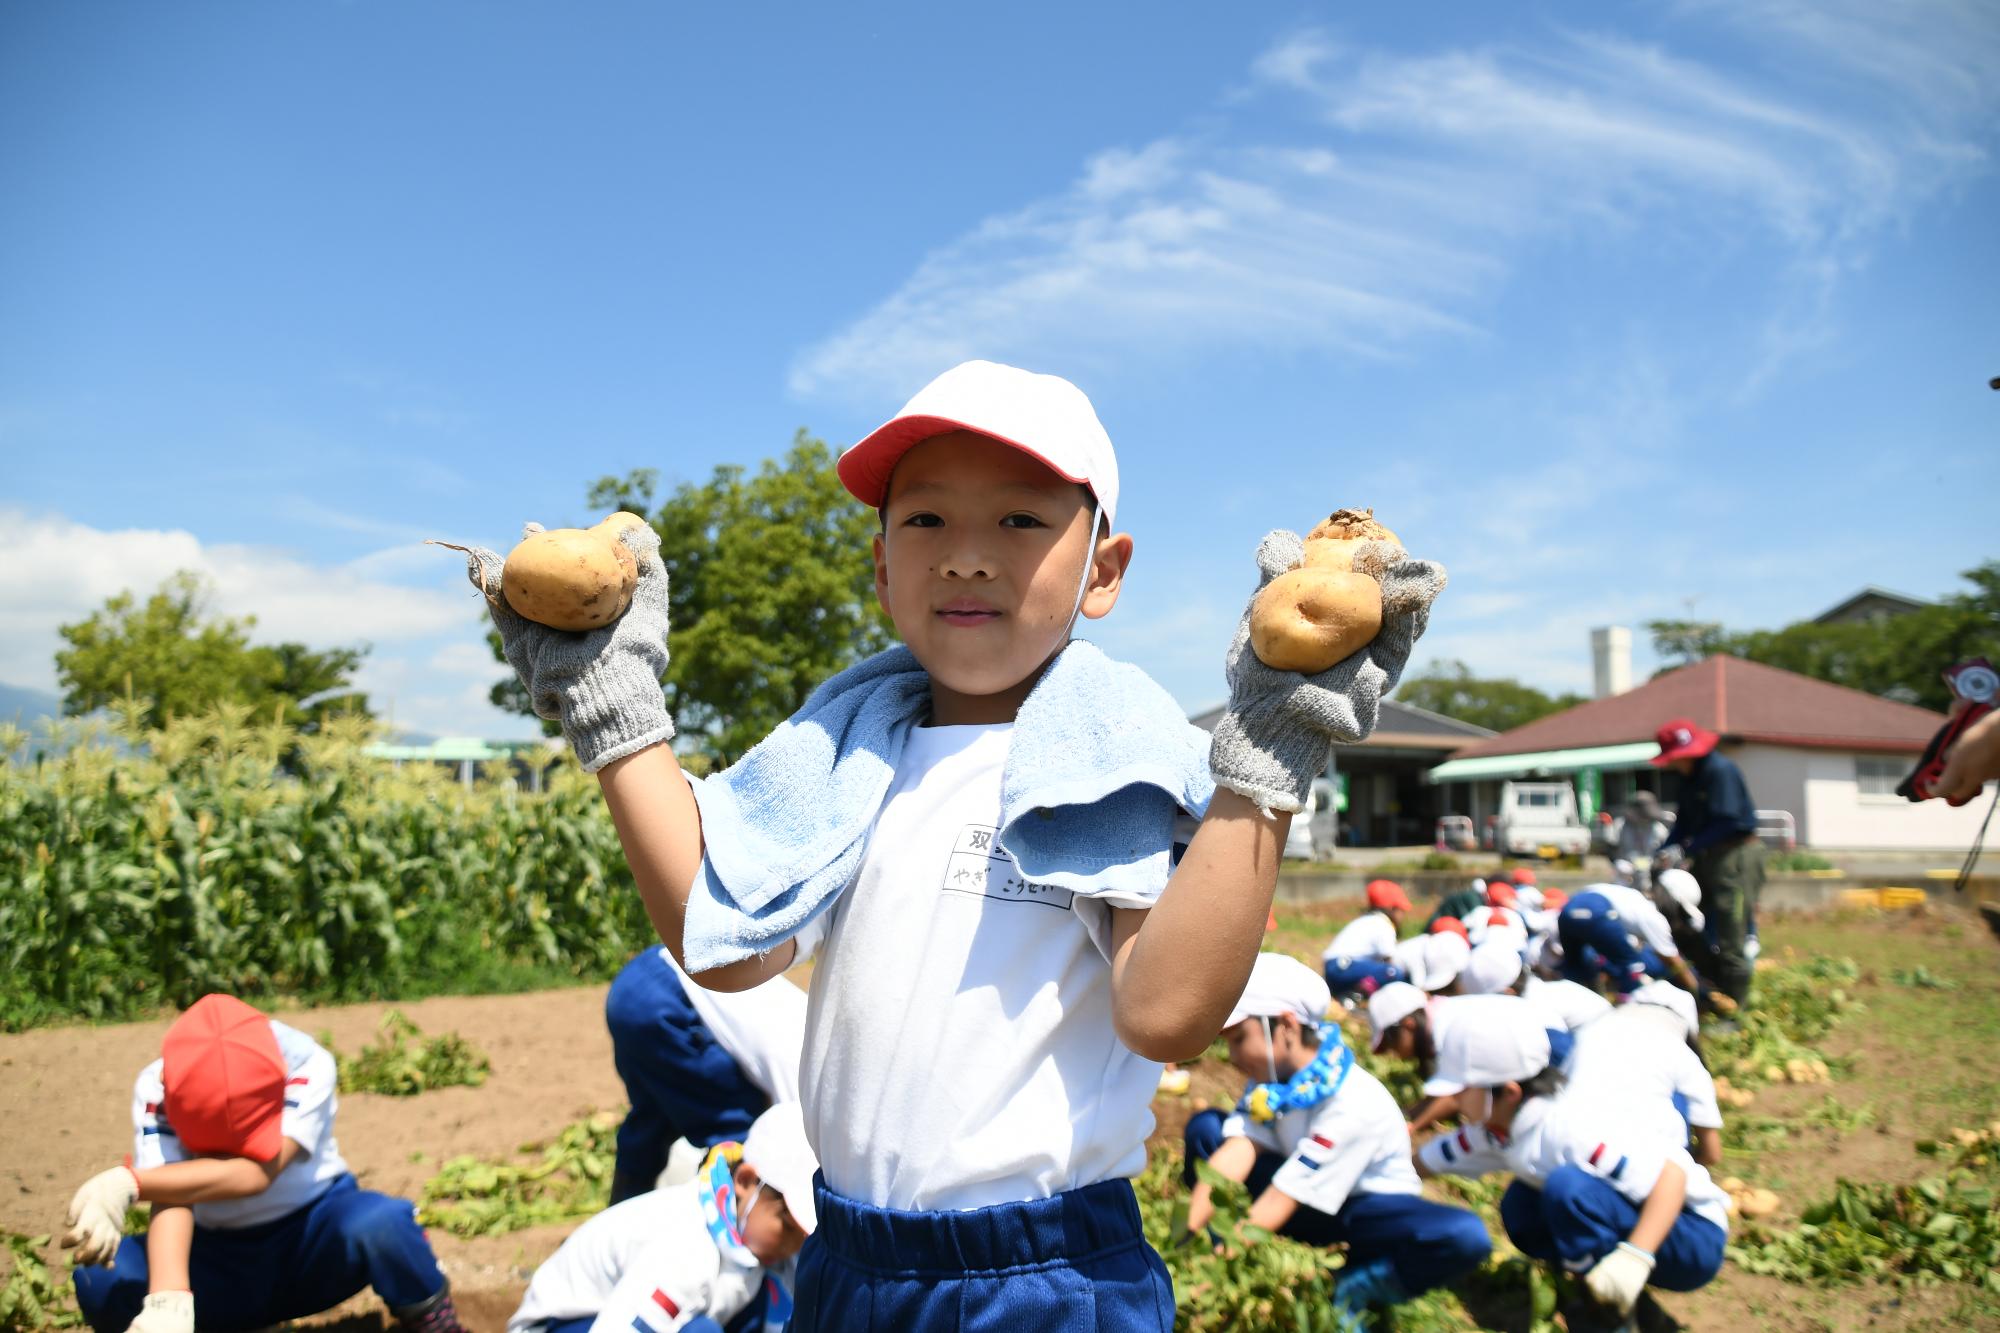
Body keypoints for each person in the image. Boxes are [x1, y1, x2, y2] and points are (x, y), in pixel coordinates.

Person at [464, 359, 1446, 1329]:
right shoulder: (839, 758)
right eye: (925, 519)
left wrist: (1270, 758)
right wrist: (617, 710)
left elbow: (1165, 1014)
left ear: (1102, 570)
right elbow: (726, 942)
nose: (965, 555)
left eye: (1019, 520)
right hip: (846, 1262)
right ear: (880, 566)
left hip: (1040, 1277)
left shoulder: (1113, 755)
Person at [62, 994, 465, 1333]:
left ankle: (436, 1323)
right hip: (215, 1259)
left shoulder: (307, 1063)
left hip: (312, 1241)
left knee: (385, 1223)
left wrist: (130, 1182)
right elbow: (173, 1194)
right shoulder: (158, 1085)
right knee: (102, 1280)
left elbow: (257, 1173)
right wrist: (169, 1300)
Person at [1181, 955, 1490, 1325]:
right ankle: (1215, 1238)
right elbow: (1239, 1149)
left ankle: (1362, 1285)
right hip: (1293, 1193)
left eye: (1237, 1039)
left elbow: (1284, 1196)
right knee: (1208, 1130)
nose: (1231, 1057)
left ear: (1286, 1026)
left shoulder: (1353, 1102)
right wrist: (1185, 1240)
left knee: (1463, 1235)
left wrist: (1208, 1277)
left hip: (1356, 1214)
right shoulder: (1273, 1079)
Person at [1415, 999, 1728, 1328]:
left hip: (1692, 1233)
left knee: (1568, 1189)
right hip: (1649, 1220)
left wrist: (1635, 1257)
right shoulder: (1501, 1129)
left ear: (1508, 1092)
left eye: (1464, 1091)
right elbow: (1435, 1157)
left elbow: (1672, 1177)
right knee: (1521, 1206)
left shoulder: (1570, 1131)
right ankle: (1607, 1296)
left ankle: (1611, 1314)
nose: (1455, 1101)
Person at [509, 1102, 817, 1333]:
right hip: (563, 1324)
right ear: (746, 1181)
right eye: (788, 1226)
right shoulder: (686, 1249)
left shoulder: (744, 1234)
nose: (793, 1245)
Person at [604, 947, 807, 1203]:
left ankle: (621, 1214)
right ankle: (721, 1232)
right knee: (739, 1136)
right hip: (667, 1003)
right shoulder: (809, 1096)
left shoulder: (811, 1032)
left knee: (652, 1123)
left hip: (642, 980)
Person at [1654, 718, 1765, 1008]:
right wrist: (1666, 849)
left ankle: (1736, 1007)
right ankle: (1712, 991)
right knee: (1697, 924)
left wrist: (1687, 847)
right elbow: (1684, 822)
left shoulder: (1720, 771)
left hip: (1735, 856)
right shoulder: (1689, 779)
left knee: (1732, 929)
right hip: (1708, 856)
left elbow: (1727, 821)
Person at [1555, 881, 1701, 997]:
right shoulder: (1654, 917)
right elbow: (1673, 960)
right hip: (1597, 910)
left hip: (1568, 910)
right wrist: (1696, 991)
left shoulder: (1632, 896)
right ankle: (1631, 1010)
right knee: (1631, 969)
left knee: (1574, 968)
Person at [1321, 879, 1413, 998]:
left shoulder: (1367, 920)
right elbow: (1391, 961)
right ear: (1391, 909)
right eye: (1401, 910)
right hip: (1344, 967)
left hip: (1335, 969)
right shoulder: (1382, 924)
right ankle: (1358, 996)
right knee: (1393, 972)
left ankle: (1347, 994)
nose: (1402, 916)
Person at [1612, 791, 1669, 887]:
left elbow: (1667, 852)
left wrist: (1661, 861)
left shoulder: (1658, 828)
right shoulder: (1620, 826)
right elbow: (1611, 848)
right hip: (1627, 871)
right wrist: (1617, 862)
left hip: (1653, 870)